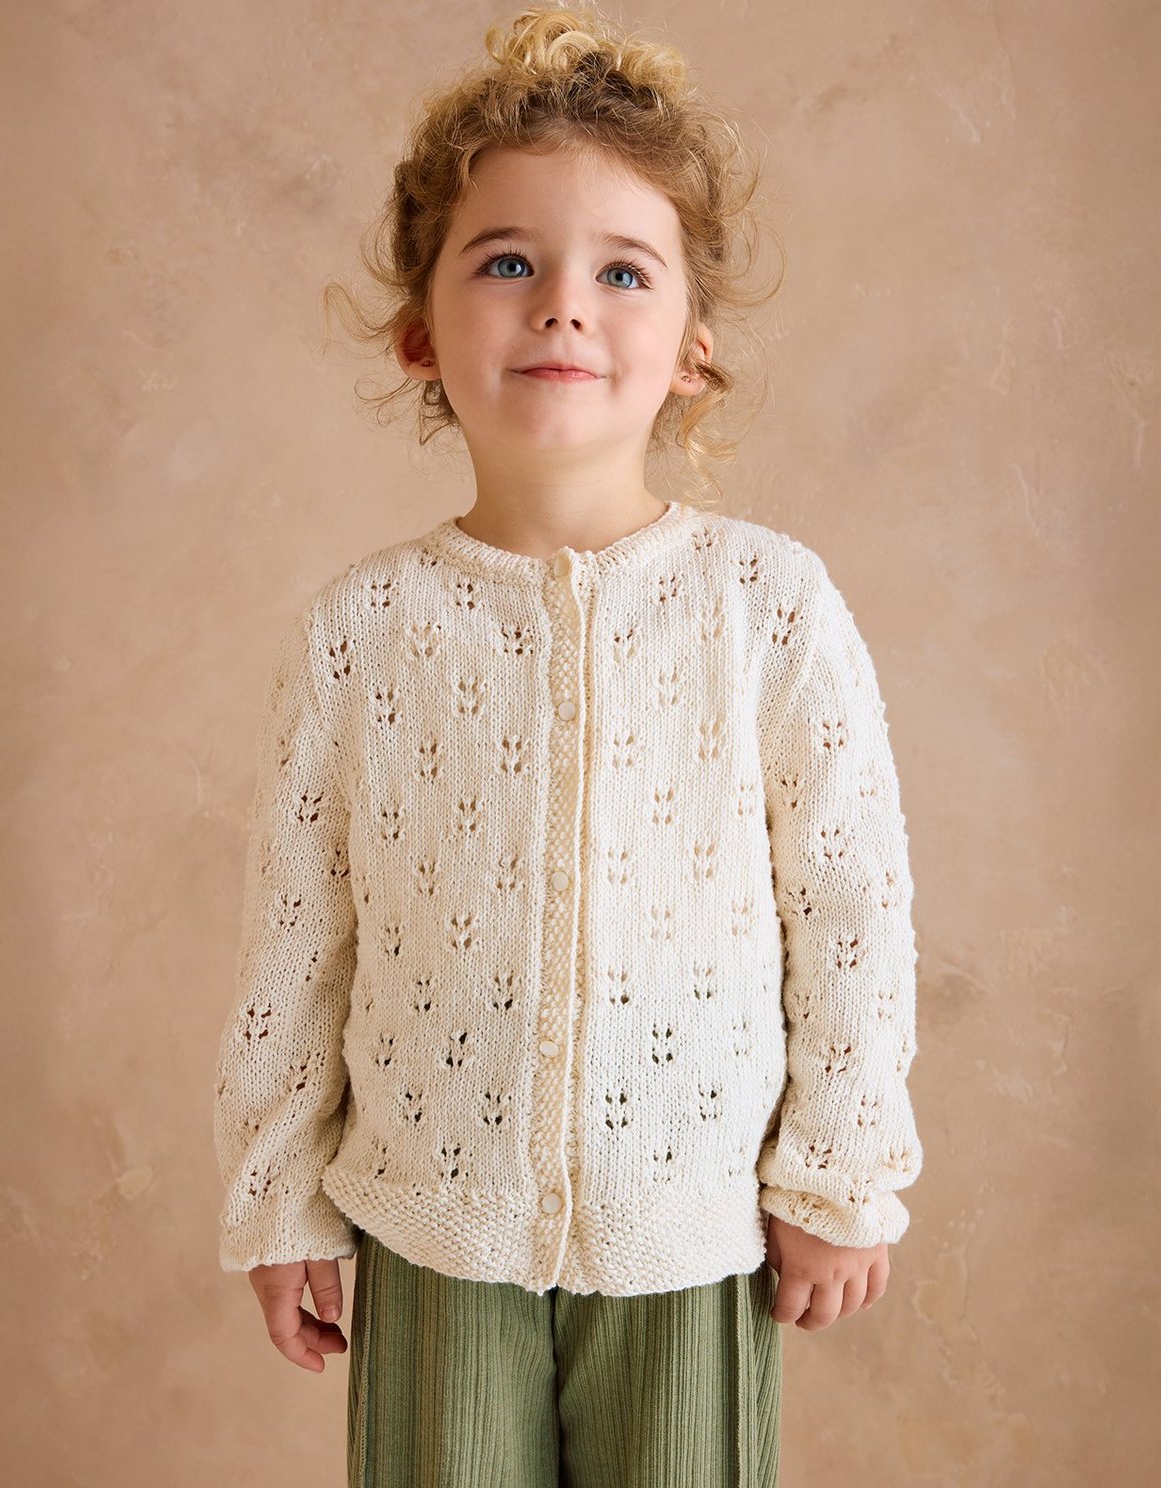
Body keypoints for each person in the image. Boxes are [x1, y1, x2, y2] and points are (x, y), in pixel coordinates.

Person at [212, 6, 924, 1484]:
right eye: (506, 262)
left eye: (622, 271)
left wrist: (840, 1171)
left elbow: (852, 904)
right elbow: (297, 932)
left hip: (693, 1229)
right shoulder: (363, 629)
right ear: (421, 333)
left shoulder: (768, 604)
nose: (562, 308)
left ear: (692, 352)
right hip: (429, 1223)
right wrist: (278, 1194)